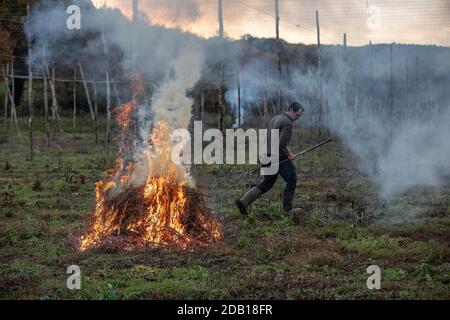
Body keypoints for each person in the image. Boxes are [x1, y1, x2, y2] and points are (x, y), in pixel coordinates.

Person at [236, 102, 305, 215]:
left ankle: (244, 201)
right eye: (297, 115)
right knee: (292, 179)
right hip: (277, 156)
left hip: (266, 154)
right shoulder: (287, 123)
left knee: (267, 182)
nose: (297, 118)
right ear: (291, 110)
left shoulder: (275, 118)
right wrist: (289, 155)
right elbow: (281, 144)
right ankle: (288, 210)